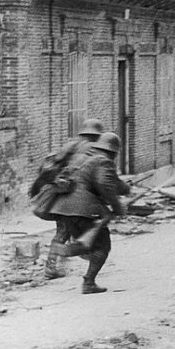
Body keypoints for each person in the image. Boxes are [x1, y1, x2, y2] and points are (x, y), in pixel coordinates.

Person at [45, 132, 126, 294]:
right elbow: (105, 184)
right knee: (103, 246)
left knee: (87, 242)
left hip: (64, 208)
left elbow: (110, 182)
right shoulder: (104, 161)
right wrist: (118, 207)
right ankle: (88, 282)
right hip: (83, 209)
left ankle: (64, 250)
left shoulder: (84, 158)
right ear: (114, 152)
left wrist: (126, 188)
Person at [31, 118, 105, 280]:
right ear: (98, 135)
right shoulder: (95, 150)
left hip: (60, 194)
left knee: (63, 230)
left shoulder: (71, 144)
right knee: (82, 231)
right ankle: (85, 258)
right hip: (77, 198)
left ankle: (52, 266)